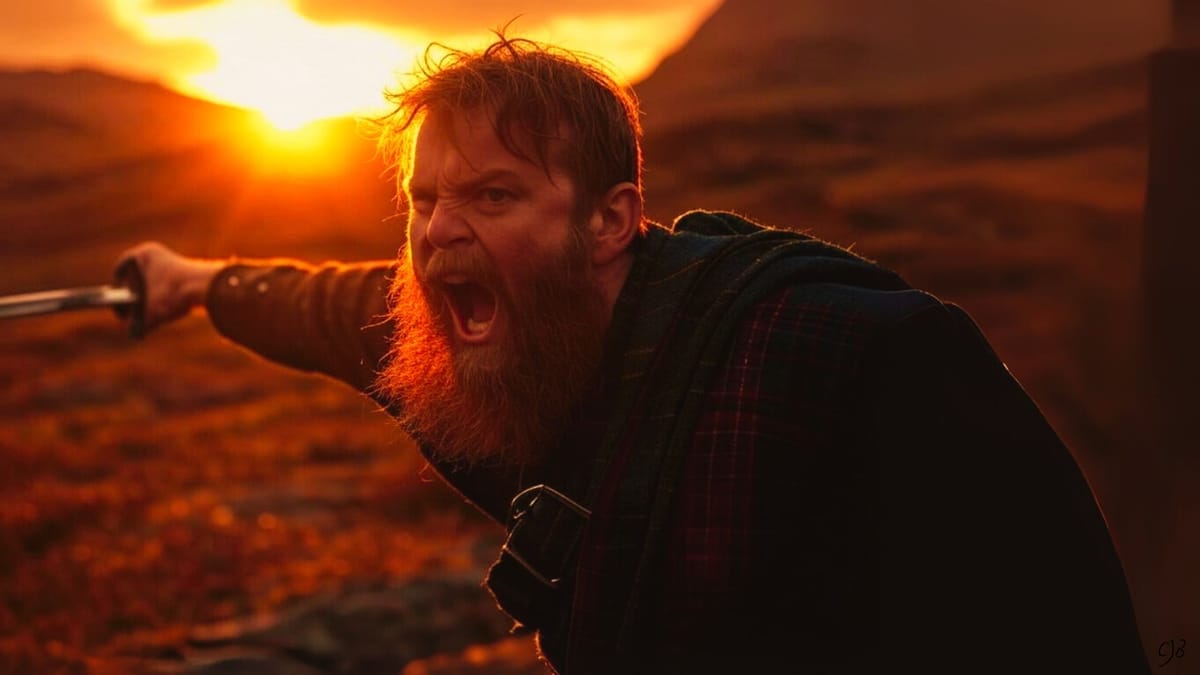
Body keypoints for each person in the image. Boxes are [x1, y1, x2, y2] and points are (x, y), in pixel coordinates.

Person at [115, 34, 1152, 675]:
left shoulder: (863, 365)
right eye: (424, 201)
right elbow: (346, 314)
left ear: (611, 221)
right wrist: (201, 280)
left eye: (492, 195)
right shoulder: (513, 344)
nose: (436, 234)